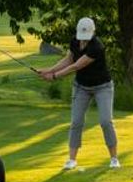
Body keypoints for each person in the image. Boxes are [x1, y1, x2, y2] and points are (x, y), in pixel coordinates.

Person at [41, 16, 120, 170]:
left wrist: (54, 76)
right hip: (81, 87)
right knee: (76, 122)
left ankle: (114, 158)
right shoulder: (75, 41)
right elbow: (68, 60)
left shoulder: (97, 47)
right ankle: (72, 160)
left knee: (105, 121)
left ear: (93, 33)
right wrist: (48, 70)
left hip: (102, 87)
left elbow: (76, 66)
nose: (83, 39)